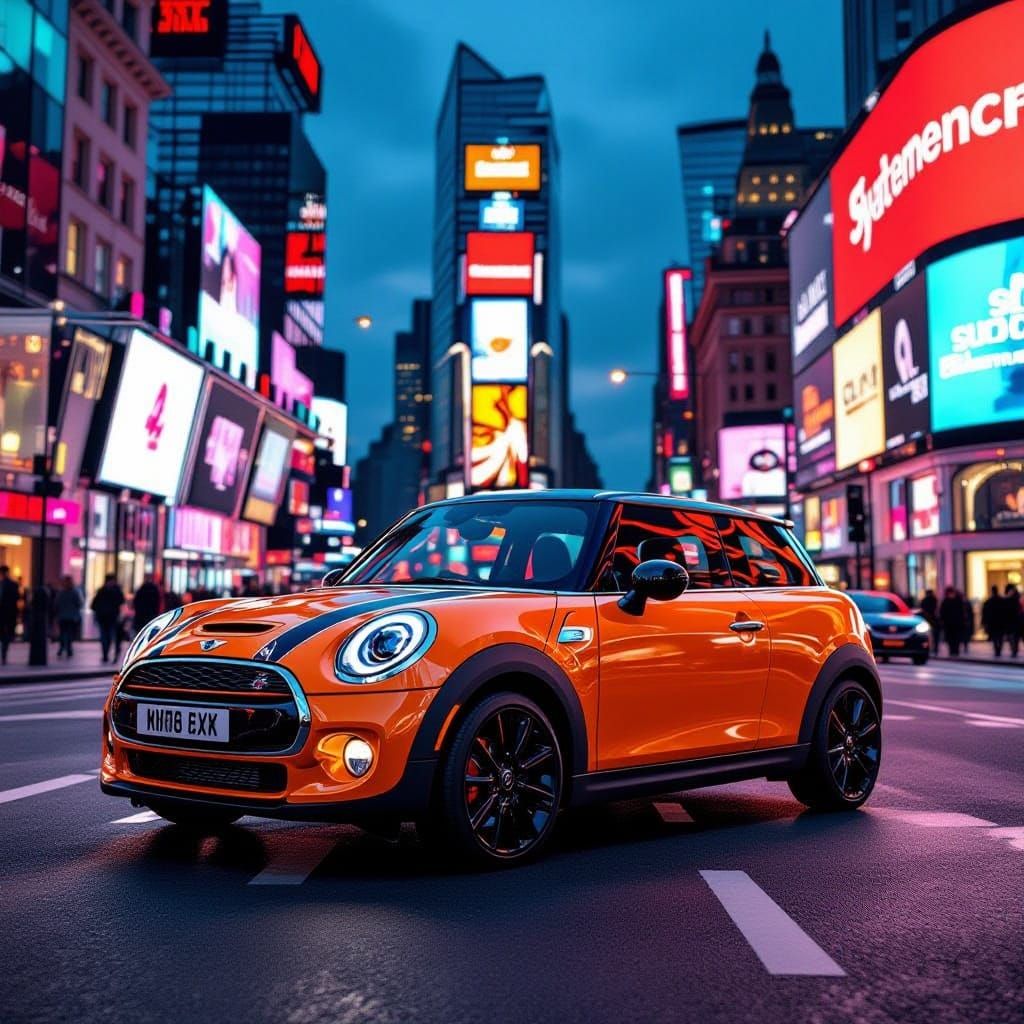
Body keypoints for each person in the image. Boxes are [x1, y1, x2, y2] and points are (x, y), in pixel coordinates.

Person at [91, 574, 125, 664]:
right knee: (106, 636)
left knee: (107, 636)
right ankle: (106, 654)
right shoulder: (111, 590)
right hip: (107, 617)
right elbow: (121, 601)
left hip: (109, 617)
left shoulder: (104, 590)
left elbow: (94, 604)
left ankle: (106, 654)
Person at [54, 576, 84, 658]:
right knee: (69, 633)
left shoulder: (61, 592)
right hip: (72, 617)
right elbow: (80, 603)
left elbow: (56, 604)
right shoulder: (75, 592)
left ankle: (62, 648)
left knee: (63, 633)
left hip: (62, 616)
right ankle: (69, 649)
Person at [0, 565, 20, 665]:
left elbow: (16, 598)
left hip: (6, 613)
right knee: (5, 635)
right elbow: (17, 598)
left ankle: (3, 654)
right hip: (8, 613)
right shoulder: (13, 584)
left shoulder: (9, 584)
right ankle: (3, 655)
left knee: (5, 635)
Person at [938, 586, 966, 657]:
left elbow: (942, 613)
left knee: (953, 638)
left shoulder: (947, 601)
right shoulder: (957, 601)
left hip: (952, 624)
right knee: (953, 638)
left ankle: (954, 650)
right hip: (952, 624)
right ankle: (954, 650)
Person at [982, 585, 1005, 657]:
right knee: (1000, 637)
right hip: (1000, 622)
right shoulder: (1001, 600)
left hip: (993, 622)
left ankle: (997, 650)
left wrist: (984, 622)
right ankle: (999, 649)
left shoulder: (988, 601)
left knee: (995, 637)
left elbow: (985, 613)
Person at [1005, 584, 1023, 659]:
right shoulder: (1014, 600)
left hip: (1015, 622)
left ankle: (1014, 650)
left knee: (1014, 637)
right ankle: (1014, 650)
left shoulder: (1016, 600)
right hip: (1013, 622)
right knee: (1013, 637)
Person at [920, 588, 940, 655]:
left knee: (927, 635)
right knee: (935, 635)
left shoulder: (924, 600)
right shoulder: (934, 600)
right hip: (933, 620)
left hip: (927, 620)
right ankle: (935, 648)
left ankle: (928, 647)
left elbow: (922, 609)